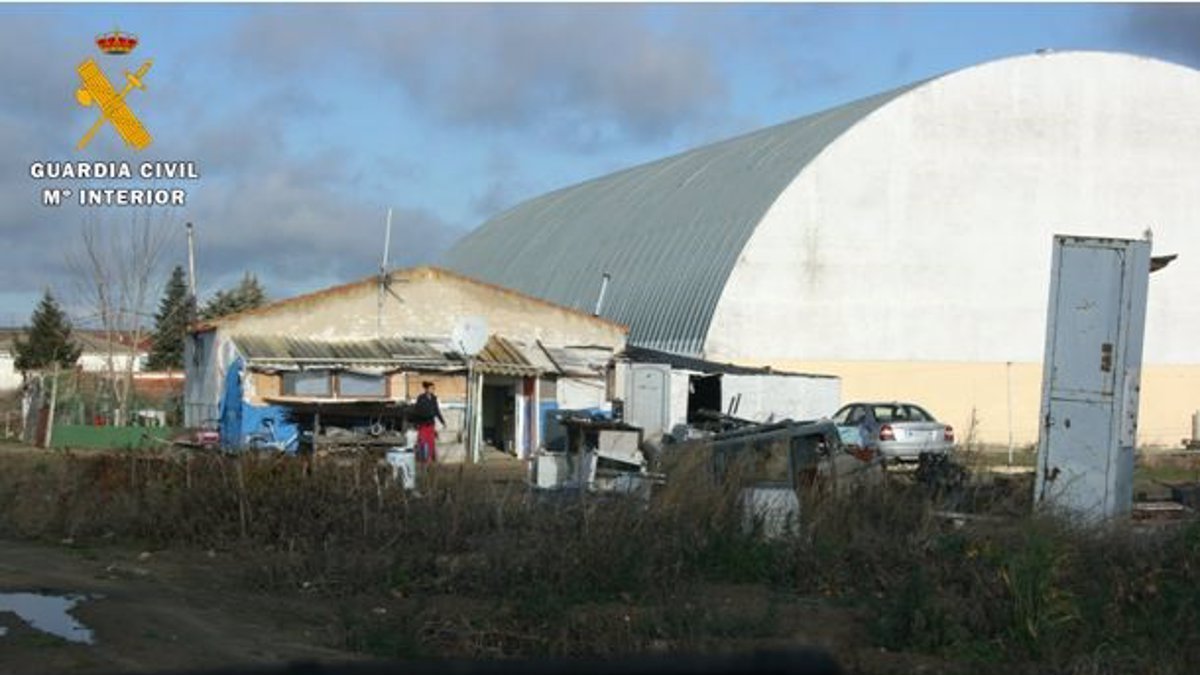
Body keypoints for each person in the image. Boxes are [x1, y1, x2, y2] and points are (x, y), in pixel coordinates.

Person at [413, 380, 445, 463]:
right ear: (426, 389)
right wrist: (416, 423)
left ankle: (430, 459)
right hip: (423, 424)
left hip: (431, 424)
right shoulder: (421, 398)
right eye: (431, 388)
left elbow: (437, 411)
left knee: (431, 443)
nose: (432, 390)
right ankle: (422, 459)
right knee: (422, 442)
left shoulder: (434, 398)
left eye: (433, 388)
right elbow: (417, 410)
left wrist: (442, 421)